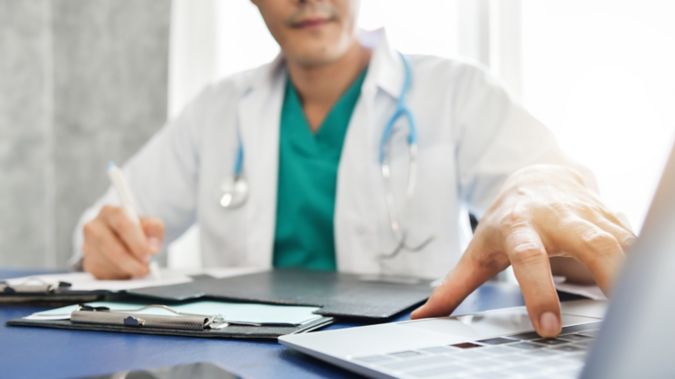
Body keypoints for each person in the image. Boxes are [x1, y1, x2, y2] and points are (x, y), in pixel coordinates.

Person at [72, 0, 634, 338]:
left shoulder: (456, 93)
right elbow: (104, 226)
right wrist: (104, 243)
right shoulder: (215, 112)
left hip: (401, 351)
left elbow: (554, 196)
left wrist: (542, 198)